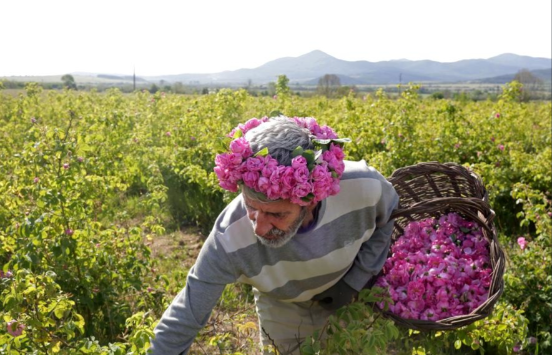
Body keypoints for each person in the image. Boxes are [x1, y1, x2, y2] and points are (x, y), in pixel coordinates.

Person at [148, 116, 399, 355]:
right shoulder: (229, 237)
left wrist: (355, 281)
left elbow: (388, 217)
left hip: (348, 300)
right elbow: (186, 314)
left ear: (310, 201)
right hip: (282, 306)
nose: (258, 228)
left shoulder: (364, 187)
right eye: (251, 208)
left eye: (276, 215)